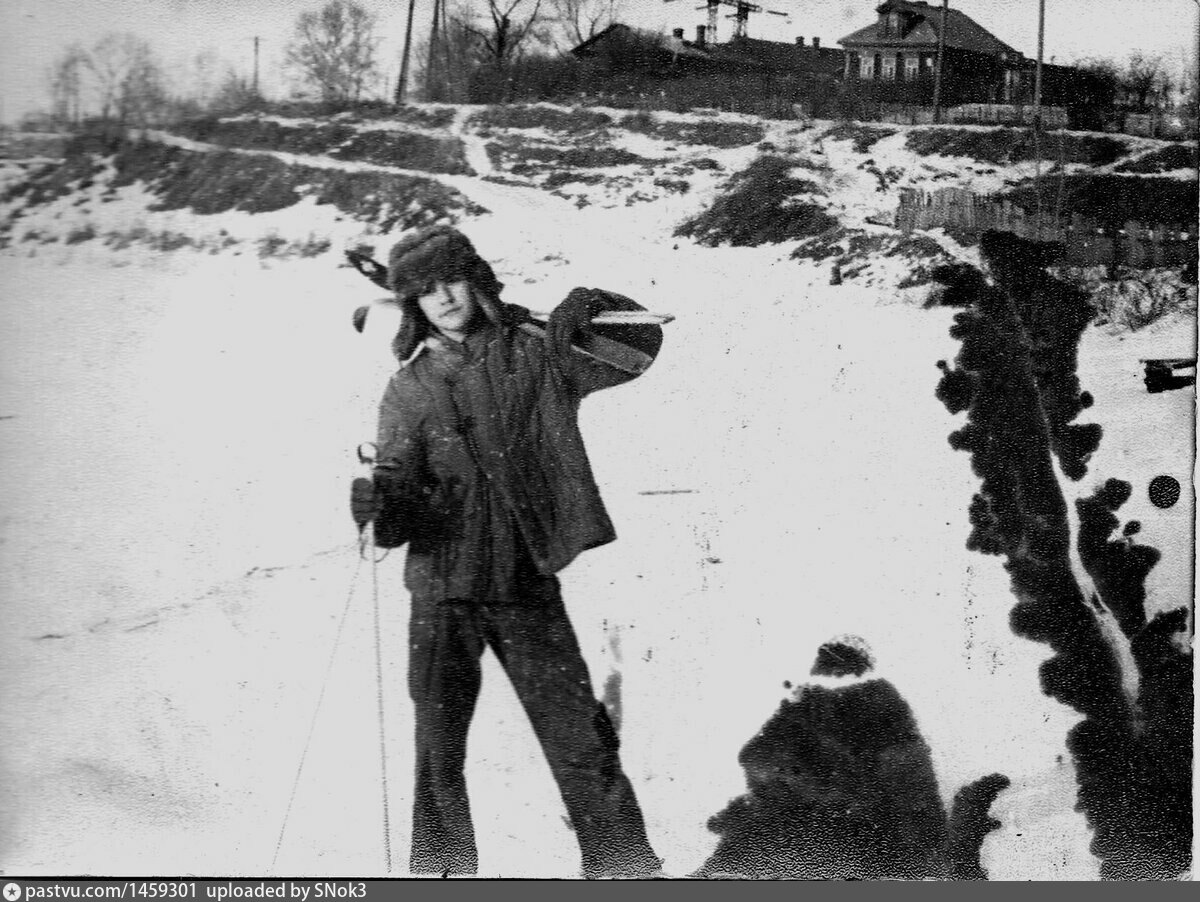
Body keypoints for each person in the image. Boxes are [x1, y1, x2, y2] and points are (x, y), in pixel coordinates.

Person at [351, 225, 664, 879]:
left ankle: (627, 872)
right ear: (410, 304)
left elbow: (636, 348)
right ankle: (440, 876)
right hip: (440, 592)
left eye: (451, 280)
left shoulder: (537, 352)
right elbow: (395, 509)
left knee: (579, 737)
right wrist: (380, 507)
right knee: (438, 752)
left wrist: (594, 305)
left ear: (478, 281)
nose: (442, 298)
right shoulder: (407, 388)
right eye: (424, 290)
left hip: (525, 584)